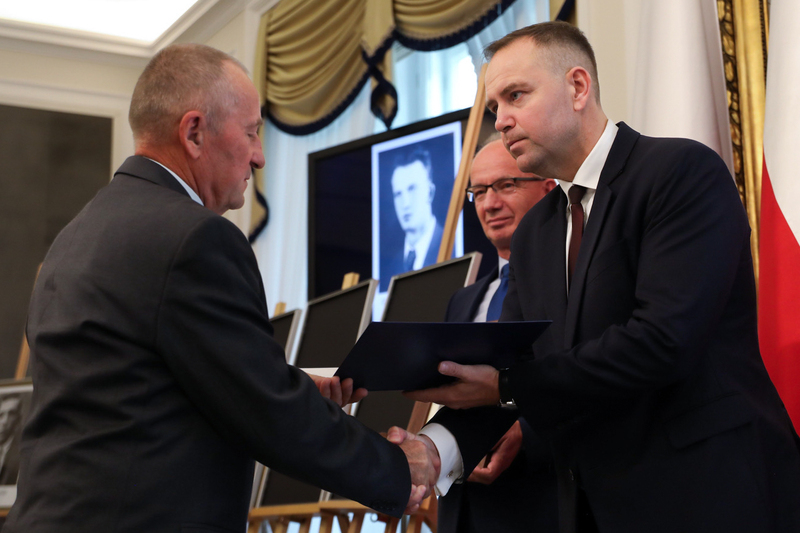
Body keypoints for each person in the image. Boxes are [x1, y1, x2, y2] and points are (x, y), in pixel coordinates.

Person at [4, 44, 438, 533]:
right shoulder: (195, 237)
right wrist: (400, 470)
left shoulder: (77, 234)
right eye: (253, 132)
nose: (259, 157)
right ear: (194, 132)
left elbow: (149, 383)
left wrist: (278, 378)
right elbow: (266, 411)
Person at [397, 21, 800, 533]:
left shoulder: (680, 172)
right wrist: (434, 450)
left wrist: (503, 384)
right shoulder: (534, 234)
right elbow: (514, 361)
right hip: (587, 507)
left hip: (706, 496)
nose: (500, 120)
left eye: (516, 95)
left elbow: (661, 342)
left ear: (578, 86)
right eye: (495, 106)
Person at [420, 137, 558, 533]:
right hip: (463, 513)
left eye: (505, 185)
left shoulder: (570, 286)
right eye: (478, 191)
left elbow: (585, 381)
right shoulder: (461, 302)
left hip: (539, 505)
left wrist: (524, 434)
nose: (489, 204)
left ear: (548, 190)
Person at [390, 147, 444, 274]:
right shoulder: (391, 265)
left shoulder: (451, 246)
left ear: (430, 193)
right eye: (398, 194)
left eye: (412, 189)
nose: (405, 203)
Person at [0, 394, 23, 485]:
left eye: (11, 414)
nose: (4, 421)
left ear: (18, 419)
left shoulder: (23, 452)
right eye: (1, 414)